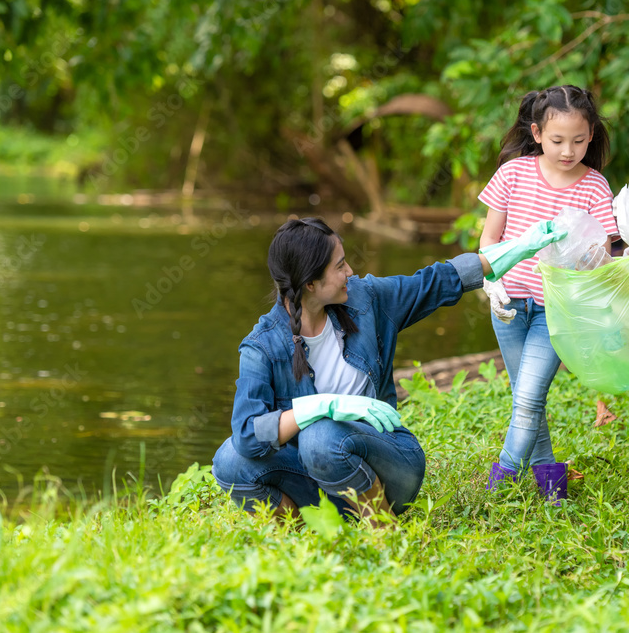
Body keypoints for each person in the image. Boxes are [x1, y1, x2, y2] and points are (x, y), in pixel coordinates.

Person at [211, 216, 565, 524]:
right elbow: (247, 434)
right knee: (228, 461)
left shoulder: (368, 300)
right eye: (339, 266)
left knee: (321, 439)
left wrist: (521, 246)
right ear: (310, 284)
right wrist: (323, 406)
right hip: (317, 478)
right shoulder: (262, 346)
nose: (349, 271)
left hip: (389, 466)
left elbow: (441, 279)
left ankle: (382, 528)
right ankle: (303, 529)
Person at [479, 85, 618, 504]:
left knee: (527, 397)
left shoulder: (594, 186)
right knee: (528, 396)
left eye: (578, 140)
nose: (568, 150)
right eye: (557, 140)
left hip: (555, 310)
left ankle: (497, 485)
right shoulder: (513, 174)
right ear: (537, 133)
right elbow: (489, 240)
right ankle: (551, 483)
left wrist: (596, 257)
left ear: (591, 134)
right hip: (507, 306)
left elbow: (602, 257)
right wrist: (492, 282)